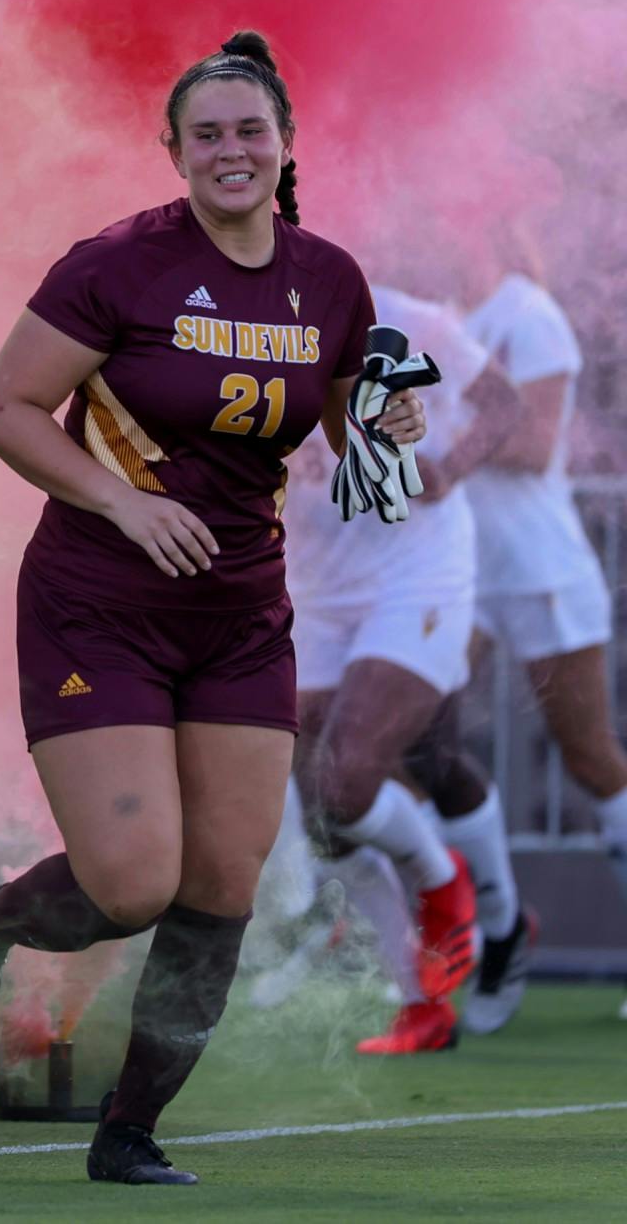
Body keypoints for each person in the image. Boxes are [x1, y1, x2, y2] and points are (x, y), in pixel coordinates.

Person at [0, 31, 427, 1185]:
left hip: (241, 611)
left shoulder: (328, 279)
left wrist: (393, 434)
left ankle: (127, 1132)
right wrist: (120, 503)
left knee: (218, 886)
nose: (230, 151)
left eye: (250, 130)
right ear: (173, 151)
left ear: (285, 144)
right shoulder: (117, 264)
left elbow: (358, 455)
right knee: (132, 882)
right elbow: (3, 407)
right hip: (97, 601)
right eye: (206, 135)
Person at [284, 283, 518, 1052]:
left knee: (351, 774)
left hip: (414, 572)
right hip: (313, 587)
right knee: (326, 806)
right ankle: (424, 1001)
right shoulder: (221, 318)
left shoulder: (407, 315)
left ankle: (448, 883)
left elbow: (504, 406)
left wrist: (447, 468)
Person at [461, 261, 627, 1018]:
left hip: (540, 571)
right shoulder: (426, 316)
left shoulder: (528, 313)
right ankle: (496, 925)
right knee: (400, 740)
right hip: (455, 573)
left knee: (591, 757)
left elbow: (532, 443)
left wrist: (422, 426)